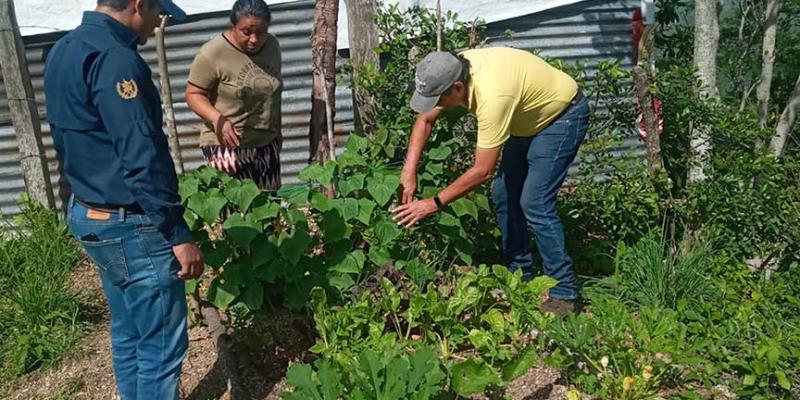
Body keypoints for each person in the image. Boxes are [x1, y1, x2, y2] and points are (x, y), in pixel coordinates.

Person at [44, 1, 203, 398]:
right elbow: (142, 156)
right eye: (157, 12)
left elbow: (68, 136)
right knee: (160, 347)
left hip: (90, 212)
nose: (157, 22)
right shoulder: (116, 60)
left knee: (130, 331)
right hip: (131, 224)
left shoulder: (65, 48)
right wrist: (177, 233)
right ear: (138, 4)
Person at [392, 47, 589, 316]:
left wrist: (433, 203)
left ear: (457, 88)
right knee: (503, 195)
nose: (437, 105)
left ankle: (564, 292)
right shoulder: (451, 68)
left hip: (561, 116)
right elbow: (425, 120)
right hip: (525, 118)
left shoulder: (492, 98)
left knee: (535, 202)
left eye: (439, 99)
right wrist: (409, 171)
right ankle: (519, 275)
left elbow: (482, 170)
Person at [186, 0, 283, 190]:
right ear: (234, 26)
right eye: (246, 32)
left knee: (268, 205)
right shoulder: (213, 52)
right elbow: (193, 94)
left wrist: (277, 129)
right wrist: (218, 119)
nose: (254, 39)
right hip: (226, 147)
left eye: (261, 32)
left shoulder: (272, 46)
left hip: (265, 144)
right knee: (234, 206)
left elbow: (273, 92)